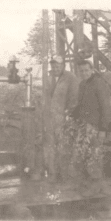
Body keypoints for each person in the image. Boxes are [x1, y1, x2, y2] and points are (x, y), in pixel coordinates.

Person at [68, 59, 111, 196]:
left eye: (87, 70)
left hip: (94, 125)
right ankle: (85, 184)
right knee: (81, 154)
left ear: (92, 70)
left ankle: (95, 187)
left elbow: (106, 108)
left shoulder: (99, 84)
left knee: (94, 156)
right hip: (83, 124)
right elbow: (81, 105)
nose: (84, 73)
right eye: (82, 71)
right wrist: (72, 115)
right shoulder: (82, 84)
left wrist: (103, 129)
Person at [38, 55, 79, 183]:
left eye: (58, 65)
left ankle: (65, 176)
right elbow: (45, 96)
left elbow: (74, 98)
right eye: (53, 65)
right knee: (49, 146)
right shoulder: (48, 77)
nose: (55, 68)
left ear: (63, 66)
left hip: (63, 118)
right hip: (49, 118)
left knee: (64, 146)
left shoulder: (70, 78)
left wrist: (68, 114)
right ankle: (52, 174)